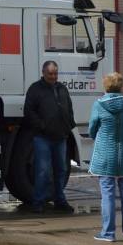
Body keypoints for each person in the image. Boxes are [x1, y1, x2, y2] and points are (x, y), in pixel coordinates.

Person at [88, 72, 123, 241]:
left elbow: (92, 129)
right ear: (120, 86)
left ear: (106, 86)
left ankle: (108, 233)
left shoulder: (99, 105)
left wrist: (100, 137)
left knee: (108, 194)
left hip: (105, 154)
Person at [22, 60, 76, 213]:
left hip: (61, 136)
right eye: (50, 74)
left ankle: (60, 200)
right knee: (43, 171)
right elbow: (29, 111)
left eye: (55, 73)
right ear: (43, 73)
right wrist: (41, 126)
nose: (53, 77)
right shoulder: (35, 89)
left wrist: (69, 124)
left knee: (61, 170)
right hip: (42, 137)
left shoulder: (62, 89)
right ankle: (38, 202)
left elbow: (69, 108)